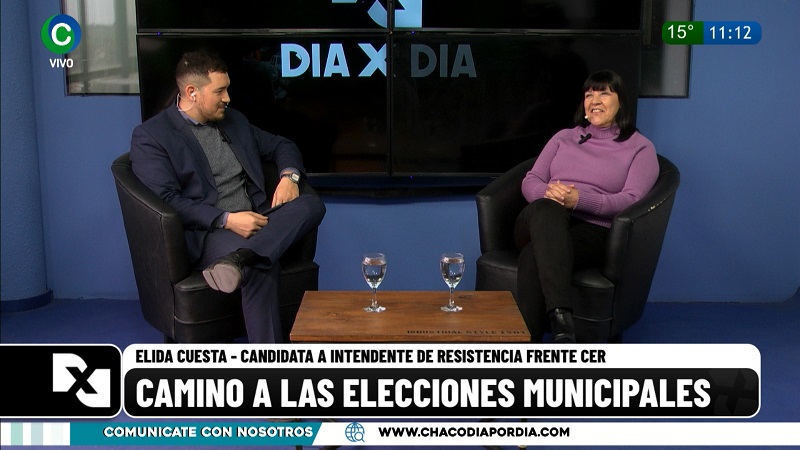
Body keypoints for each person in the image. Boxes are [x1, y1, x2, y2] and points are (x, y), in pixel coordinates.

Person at [129, 50, 326, 343]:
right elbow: (167, 200)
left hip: (260, 220)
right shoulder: (152, 136)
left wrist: (289, 177)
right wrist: (227, 219)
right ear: (192, 92)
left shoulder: (235, 121)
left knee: (311, 204)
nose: (228, 98)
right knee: (261, 265)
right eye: (219, 91)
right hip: (209, 233)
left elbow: (282, 145)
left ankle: (240, 258)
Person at [513, 70, 659, 343]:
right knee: (548, 209)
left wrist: (580, 200)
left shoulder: (640, 148)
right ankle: (562, 320)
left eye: (604, 93)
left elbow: (631, 199)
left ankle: (527, 347)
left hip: (593, 231)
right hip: (539, 218)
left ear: (621, 101)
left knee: (533, 257)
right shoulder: (564, 137)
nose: (595, 100)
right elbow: (531, 179)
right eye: (589, 94)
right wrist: (548, 193)